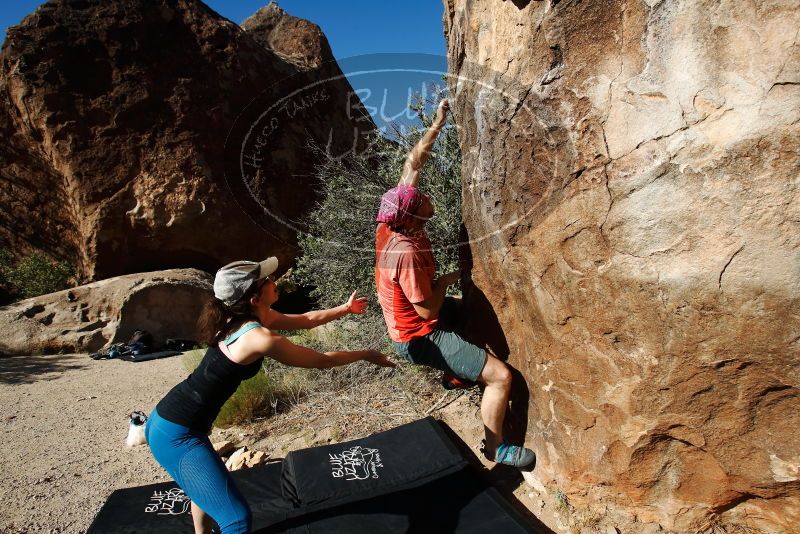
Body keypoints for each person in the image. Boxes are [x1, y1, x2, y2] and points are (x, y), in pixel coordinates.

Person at [146, 258, 395, 534]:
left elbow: (306, 320)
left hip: (170, 419)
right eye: (267, 280)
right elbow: (321, 360)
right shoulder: (257, 336)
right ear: (254, 297)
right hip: (176, 435)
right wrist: (365, 354)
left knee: (204, 491)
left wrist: (345, 309)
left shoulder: (238, 316)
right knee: (237, 520)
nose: (274, 279)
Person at [374, 98, 535, 469]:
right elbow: (426, 309)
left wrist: (438, 122)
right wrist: (447, 279)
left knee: (472, 314)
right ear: (412, 219)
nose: (423, 194)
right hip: (417, 334)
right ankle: (497, 449)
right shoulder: (406, 253)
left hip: (412, 318)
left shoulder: (393, 217)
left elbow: (412, 163)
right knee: (500, 376)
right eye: (420, 200)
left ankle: (457, 372)